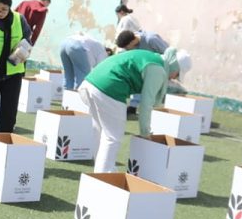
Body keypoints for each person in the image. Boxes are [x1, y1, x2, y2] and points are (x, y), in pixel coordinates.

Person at [79, 43, 185, 172]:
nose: (175, 78)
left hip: (89, 82)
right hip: (109, 88)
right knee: (112, 137)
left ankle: (102, 169)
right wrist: (145, 133)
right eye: (177, 74)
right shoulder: (158, 70)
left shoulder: (152, 58)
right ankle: (103, 176)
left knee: (100, 129)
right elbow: (146, 104)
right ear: (175, 66)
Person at [0, 0, 34, 134]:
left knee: (9, 113)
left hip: (13, 73)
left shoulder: (19, 19)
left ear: (10, 6)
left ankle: (4, 141)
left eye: (4, 9)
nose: (0, 12)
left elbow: (27, 38)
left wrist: (22, 51)